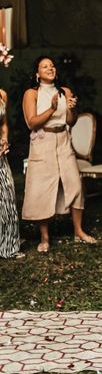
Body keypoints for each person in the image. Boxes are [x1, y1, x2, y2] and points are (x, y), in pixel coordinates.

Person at [22, 56, 96, 252]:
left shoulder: (65, 91)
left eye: (52, 66)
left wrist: (71, 109)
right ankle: (45, 238)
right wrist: (52, 108)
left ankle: (78, 231)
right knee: (41, 188)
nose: (50, 68)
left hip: (63, 139)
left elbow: (70, 121)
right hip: (42, 141)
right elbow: (32, 122)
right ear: (37, 73)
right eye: (45, 66)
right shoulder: (32, 93)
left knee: (75, 183)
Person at [0, 88, 21, 258]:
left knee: (7, 195)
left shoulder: (2, 94)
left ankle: (8, 246)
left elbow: (3, 122)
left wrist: (5, 139)